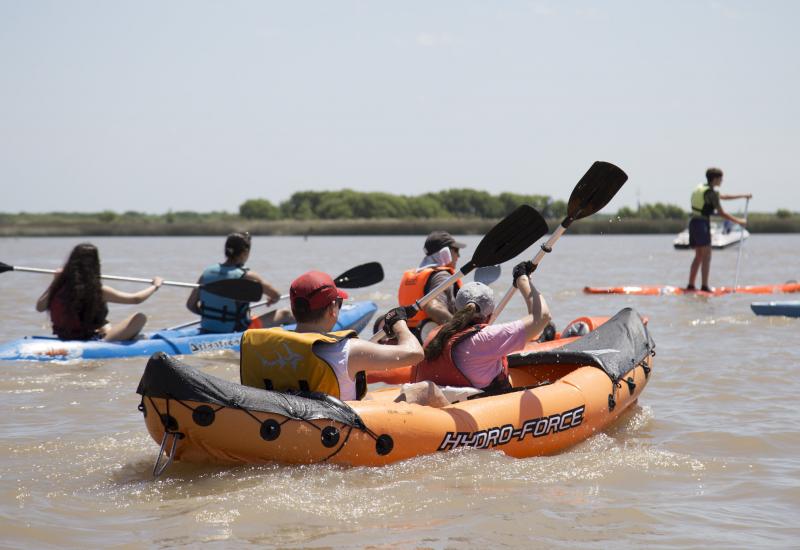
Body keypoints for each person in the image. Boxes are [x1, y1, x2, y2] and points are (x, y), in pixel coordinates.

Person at [240, 271, 423, 401]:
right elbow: (415, 354)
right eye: (339, 303)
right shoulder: (349, 350)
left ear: (294, 310)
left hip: (278, 425)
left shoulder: (272, 346)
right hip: (332, 434)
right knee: (425, 390)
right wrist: (399, 323)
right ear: (332, 310)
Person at [411, 261, 551, 395]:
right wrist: (522, 278)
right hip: (480, 412)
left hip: (442, 407)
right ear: (489, 315)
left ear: (456, 308)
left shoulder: (436, 334)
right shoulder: (487, 338)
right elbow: (542, 317)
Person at [35, 243, 163, 341]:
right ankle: (112, 341)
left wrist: (56, 281)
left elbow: (39, 307)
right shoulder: (98, 291)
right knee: (140, 318)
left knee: (105, 324)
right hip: (93, 340)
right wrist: (155, 286)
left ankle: (110, 333)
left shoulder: (59, 287)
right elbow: (136, 299)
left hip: (64, 337)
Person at [186, 232, 292, 333]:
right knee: (286, 313)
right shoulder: (248, 276)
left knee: (248, 314)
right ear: (245, 252)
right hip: (239, 330)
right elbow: (276, 295)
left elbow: (190, 305)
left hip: (207, 327)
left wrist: (211, 316)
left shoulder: (206, 273)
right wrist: (272, 299)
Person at [687, 168, 752, 291]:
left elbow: (724, 197)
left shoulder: (702, 188)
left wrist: (743, 196)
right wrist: (739, 221)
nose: (722, 181)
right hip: (701, 224)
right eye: (721, 178)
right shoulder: (711, 193)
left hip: (693, 223)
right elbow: (722, 213)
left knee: (699, 255)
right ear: (715, 179)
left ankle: (691, 285)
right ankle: (704, 286)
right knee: (707, 255)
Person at [397, 230, 466, 342]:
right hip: (431, 340)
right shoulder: (442, 276)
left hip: (409, 339)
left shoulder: (414, 275)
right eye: (456, 250)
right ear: (445, 252)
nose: (458, 255)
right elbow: (433, 307)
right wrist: (461, 334)